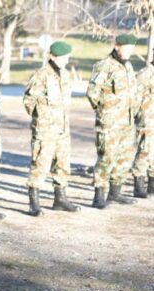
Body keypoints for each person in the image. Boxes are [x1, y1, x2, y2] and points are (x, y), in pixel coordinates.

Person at [23, 41, 79, 216]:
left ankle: (60, 199)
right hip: (45, 130)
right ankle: (34, 203)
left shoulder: (65, 75)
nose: (66, 60)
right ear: (53, 57)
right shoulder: (41, 75)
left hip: (62, 128)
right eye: (63, 57)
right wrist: (42, 118)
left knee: (63, 164)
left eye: (67, 57)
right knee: (40, 164)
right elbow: (28, 102)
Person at [87, 33, 138, 209]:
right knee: (106, 158)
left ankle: (115, 194)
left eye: (132, 49)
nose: (129, 52)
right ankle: (98, 196)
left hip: (127, 122)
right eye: (127, 48)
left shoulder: (128, 66)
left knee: (124, 158)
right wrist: (105, 111)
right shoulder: (104, 66)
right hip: (110, 123)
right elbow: (93, 93)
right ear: (117, 46)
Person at [131, 50, 154, 198]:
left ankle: (152, 184)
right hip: (147, 118)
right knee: (145, 149)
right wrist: (139, 113)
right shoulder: (146, 73)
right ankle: (139, 184)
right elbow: (134, 96)